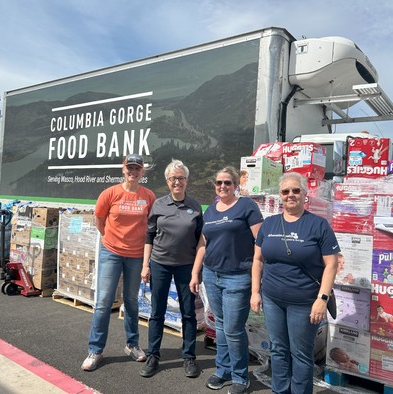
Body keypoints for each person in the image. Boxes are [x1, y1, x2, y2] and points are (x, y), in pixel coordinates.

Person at [250, 172, 339, 394]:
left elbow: (331, 265)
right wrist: (255, 292)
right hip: (272, 299)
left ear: (304, 194)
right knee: (278, 349)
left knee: (300, 353)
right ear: (280, 196)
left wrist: (322, 298)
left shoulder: (318, 225)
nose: (290, 195)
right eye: (285, 191)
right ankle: (280, 390)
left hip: (304, 302)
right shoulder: (269, 224)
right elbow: (258, 260)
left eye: (296, 190)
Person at [190, 166, 263, 394]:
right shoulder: (211, 210)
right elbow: (203, 244)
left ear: (235, 186)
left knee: (232, 328)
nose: (223, 186)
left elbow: (260, 242)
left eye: (227, 183)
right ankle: (223, 370)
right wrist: (195, 272)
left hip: (238, 277)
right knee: (220, 325)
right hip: (212, 275)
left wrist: (256, 284)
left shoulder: (247, 206)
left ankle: (240, 375)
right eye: (219, 183)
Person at [81, 154, 156, 371]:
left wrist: (146, 259)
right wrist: (109, 239)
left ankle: (132, 345)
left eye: (137, 168)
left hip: (136, 255)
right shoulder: (110, 193)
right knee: (103, 302)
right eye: (129, 168)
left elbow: (151, 226)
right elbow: (99, 219)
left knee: (131, 301)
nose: (133, 171)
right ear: (123, 170)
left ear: (142, 172)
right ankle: (95, 350)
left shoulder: (148, 196)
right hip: (111, 253)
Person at [139, 159, 203, 379]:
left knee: (188, 313)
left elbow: (199, 240)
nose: (178, 182)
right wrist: (145, 265)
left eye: (181, 178)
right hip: (160, 264)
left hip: (185, 266)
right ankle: (153, 356)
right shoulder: (158, 205)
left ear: (186, 180)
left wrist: (196, 271)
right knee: (157, 312)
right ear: (167, 181)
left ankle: (189, 357)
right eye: (174, 178)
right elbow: (149, 236)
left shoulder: (195, 206)